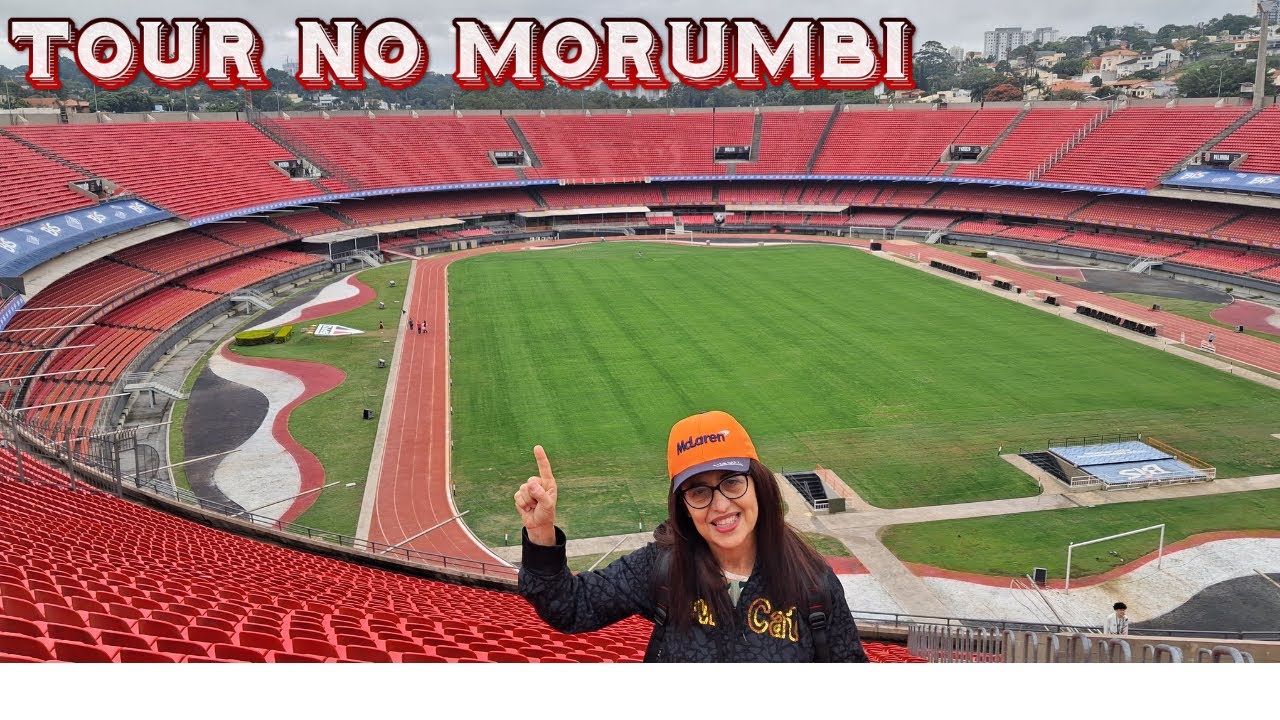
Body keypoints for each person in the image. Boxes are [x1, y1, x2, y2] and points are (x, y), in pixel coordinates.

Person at [515, 410, 869, 662]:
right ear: (682, 505)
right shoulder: (663, 565)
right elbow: (571, 607)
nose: (720, 505)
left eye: (732, 482)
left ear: (758, 484)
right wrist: (540, 532)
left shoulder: (814, 585)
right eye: (698, 492)